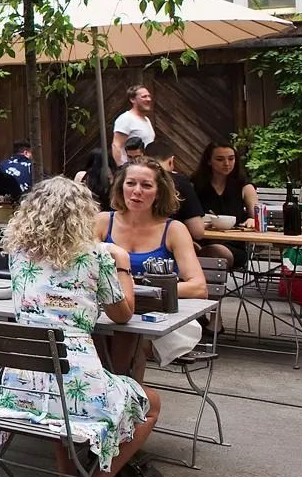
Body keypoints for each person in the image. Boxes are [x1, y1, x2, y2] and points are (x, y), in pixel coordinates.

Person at [0, 177, 161, 477]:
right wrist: (123, 265)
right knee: (150, 403)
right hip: (72, 378)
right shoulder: (96, 258)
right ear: (82, 215)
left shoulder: (18, 255)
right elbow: (123, 314)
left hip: (22, 389)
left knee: (58, 393)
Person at [95, 157, 208, 376]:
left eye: (146, 185)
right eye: (130, 183)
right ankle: (111, 392)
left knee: (127, 334)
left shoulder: (174, 229)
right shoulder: (101, 221)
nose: (137, 191)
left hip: (155, 315)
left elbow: (198, 288)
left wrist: (140, 289)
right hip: (106, 309)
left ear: (159, 192)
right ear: (121, 187)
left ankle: (125, 394)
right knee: (94, 331)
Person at [192, 139, 257, 271]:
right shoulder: (195, 185)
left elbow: (257, 217)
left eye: (231, 159)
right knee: (189, 247)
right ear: (209, 161)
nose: (227, 164)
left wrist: (252, 220)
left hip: (233, 245)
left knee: (215, 251)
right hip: (202, 239)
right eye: (220, 159)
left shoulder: (244, 186)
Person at [112, 84, 155, 166]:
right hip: (131, 169)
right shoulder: (126, 119)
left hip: (144, 168)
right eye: (144, 96)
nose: (149, 99)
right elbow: (116, 146)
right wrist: (121, 168)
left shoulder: (146, 120)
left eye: (149, 96)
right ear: (132, 99)